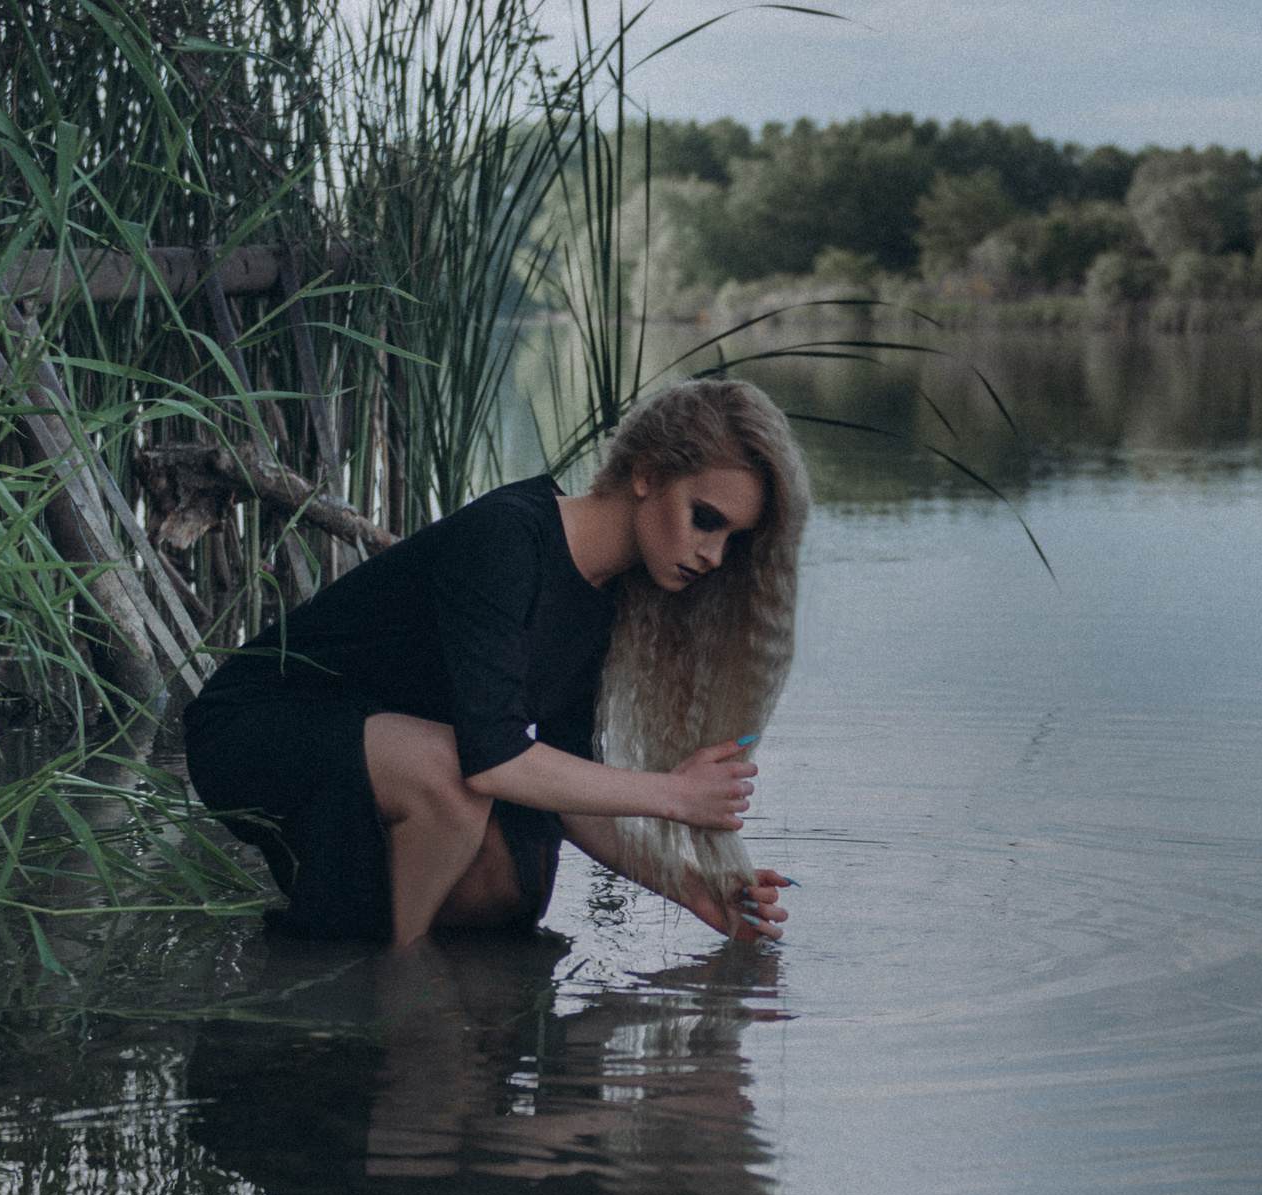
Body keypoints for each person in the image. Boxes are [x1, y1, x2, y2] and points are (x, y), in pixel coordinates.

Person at [183, 377, 804, 947]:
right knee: (456, 781)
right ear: (645, 474)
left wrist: (697, 889)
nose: (716, 556)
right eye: (706, 520)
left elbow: (569, 793)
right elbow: (493, 759)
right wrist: (672, 794)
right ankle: (404, 976)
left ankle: (370, 974)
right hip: (252, 725)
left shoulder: (607, 597)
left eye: (732, 540)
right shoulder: (509, 538)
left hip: (375, 746)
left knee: (517, 882)